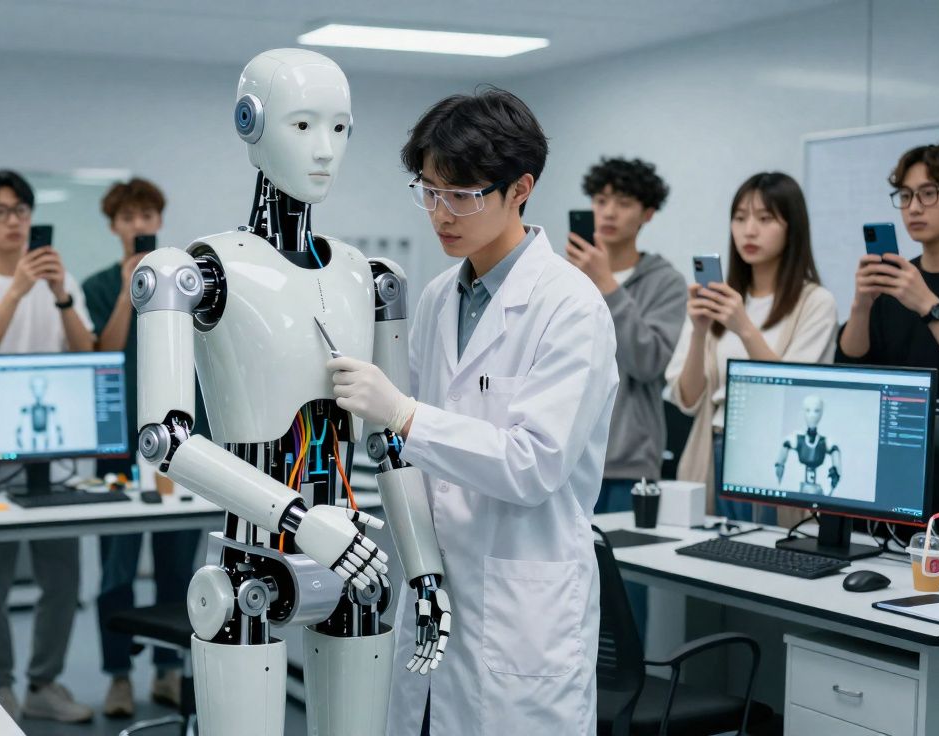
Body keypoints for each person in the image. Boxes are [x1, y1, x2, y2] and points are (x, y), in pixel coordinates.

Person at [329, 88, 619, 734]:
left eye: (461, 195)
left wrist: (404, 414)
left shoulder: (570, 307)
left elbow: (532, 464)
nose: (441, 213)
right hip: (436, 589)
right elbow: (410, 449)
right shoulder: (438, 298)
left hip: (522, 612)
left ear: (521, 188)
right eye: (429, 191)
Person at [0, 169, 95, 723]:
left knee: (62, 581)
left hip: (56, 458)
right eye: (1, 212)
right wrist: (17, 289)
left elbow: (85, 354)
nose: (14, 222)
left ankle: (44, 683)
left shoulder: (62, 279)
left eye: (21, 211)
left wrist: (59, 295)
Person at [81, 178, 202, 718]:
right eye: (128, 218)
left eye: (146, 215)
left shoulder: (186, 282)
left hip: (180, 442)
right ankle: (118, 677)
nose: (138, 225)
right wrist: (130, 293)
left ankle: (169, 670)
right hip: (117, 445)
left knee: (178, 566)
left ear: (159, 219)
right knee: (116, 570)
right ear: (114, 226)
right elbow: (104, 351)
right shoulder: (99, 285)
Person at [665, 172, 837, 521]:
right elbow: (687, 399)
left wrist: (743, 327)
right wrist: (699, 332)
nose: (749, 230)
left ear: (792, 227)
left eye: (765, 218)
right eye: (740, 218)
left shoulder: (816, 302)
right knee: (713, 550)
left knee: (769, 549)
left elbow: (794, 394)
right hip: (715, 446)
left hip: (772, 451)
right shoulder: (721, 299)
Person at [566, 157, 684, 511]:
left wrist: (607, 284)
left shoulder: (666, 282)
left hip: (629, 463)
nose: (609, 212)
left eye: (624, 203)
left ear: (647, 213)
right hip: (567, 455)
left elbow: (648, 363)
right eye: (601, 201)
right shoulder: (566, 277)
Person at [837, 144, 939, 369]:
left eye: (928, 193)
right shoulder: (898, 280)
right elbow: (849, 363)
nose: (913, 208)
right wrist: (861, 306)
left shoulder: (909, 284)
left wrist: (928, 305)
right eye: (905, 196)